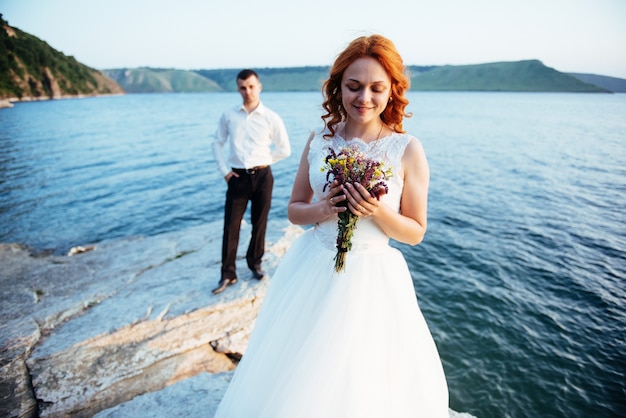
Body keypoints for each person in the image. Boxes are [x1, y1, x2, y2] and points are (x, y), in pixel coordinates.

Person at [213, 35, 449, 417]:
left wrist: (376, 211)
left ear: (392, 91)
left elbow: (416, 232)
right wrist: (323, 208)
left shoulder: (407, 149)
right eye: (353, 87)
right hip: (313, 265)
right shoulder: (318, 140)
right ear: (338, 87)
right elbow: (294, 210)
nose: (364, 98)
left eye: (376, 88)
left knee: (362, 376)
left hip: (373, 277)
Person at [211, 69, 291, 295]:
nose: (247, 91)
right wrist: (225, 171)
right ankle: (228, 274)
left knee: (260, 222)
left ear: (259, 87)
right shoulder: (229, 116)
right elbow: (217, 143)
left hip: (263, 176)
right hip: (236, 177)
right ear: (238, 89)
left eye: (251, 86)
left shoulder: (271, 118)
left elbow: (285, 149)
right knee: (231, 225)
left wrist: (265, 161)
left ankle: (255, 264)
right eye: (243, 87)